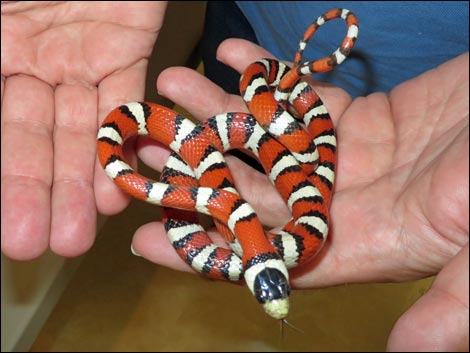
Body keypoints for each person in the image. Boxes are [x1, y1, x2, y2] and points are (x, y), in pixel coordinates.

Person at [1, 1, 468, 351]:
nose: (276, 293)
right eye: (278, 279)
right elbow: (241, 209)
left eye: (269, 280)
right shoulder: (252, 220)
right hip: (251, 12)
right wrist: (308, 160)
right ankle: (271, 80)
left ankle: (275, 83)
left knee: (255, 144)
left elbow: (237, 213)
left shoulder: (246, 223)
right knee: (243, 90)